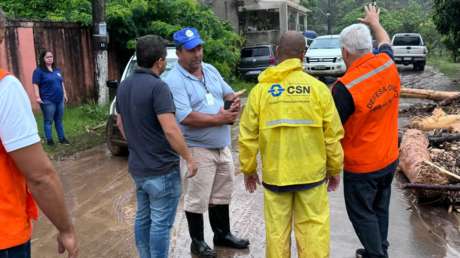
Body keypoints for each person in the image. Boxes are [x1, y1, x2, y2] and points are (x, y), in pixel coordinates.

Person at [239, 31, 344, 258]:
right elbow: (332, 135)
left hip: (276, 177)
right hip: (312, 177)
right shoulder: (318, 90)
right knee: (313, 231)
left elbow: (247, 136)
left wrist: (248, 170)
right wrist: (335, 169)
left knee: (277, 233)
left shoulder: (261, 91)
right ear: (303, 54)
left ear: (277, 53)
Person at [164, 27, 249, 258]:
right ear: (179, 52)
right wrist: (219, 118)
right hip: (197, 148)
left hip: (222, 146)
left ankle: (222, 234)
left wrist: (233, 105)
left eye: (199, 48)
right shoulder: (174, 79)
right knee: (196, 198)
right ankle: (198, 242)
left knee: (221, 194)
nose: (197, 54)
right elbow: (186, 116)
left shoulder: (210, 69)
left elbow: (229, 94)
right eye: (191, 50)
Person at [0, 8, 78, 258]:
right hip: (5, 233)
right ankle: (53, 138)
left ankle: (59, 137)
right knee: (48, 123)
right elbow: (40, 176)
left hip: (58, 101)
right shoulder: (5, 88)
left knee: (57, 122)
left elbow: (61, 82)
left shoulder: (55, 71)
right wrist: (65, 229)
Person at [115, 34, 197, 258]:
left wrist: (138, 145)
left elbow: (121, 122)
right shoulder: (158, 87)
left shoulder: (124, 86)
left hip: (139, 168)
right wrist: (189, 158)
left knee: (143, 217)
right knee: (160, 224)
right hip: (162, 170)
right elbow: (171, 129)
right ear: (160, 61)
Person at [331, 4, 400, 258]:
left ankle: (377, 254)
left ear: (345, 53)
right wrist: (374, 21)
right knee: (380, 208)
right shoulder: (387, 64)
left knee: (362, 214)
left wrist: (329, 167)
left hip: (362, 167)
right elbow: (384, 40)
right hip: (389, 158)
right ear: (368, 47)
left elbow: (330, 132)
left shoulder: (344, 88)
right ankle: (378, 248)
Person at [32, 50, 70, 146]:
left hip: (59, 99)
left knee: (59, 120)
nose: (50, 59)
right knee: (48, 121)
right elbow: (35, 84)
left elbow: (61, 83)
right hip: (48, 100)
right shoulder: (38, 71)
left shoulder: (56, 70)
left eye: (51, 57)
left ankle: (62, 139)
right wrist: (37, 97)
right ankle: (49, 140)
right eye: (47, 57)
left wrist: (64, 94)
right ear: (43, 59)